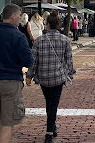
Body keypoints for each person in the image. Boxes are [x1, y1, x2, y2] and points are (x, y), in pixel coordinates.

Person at [0, 4, 34, 143]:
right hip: (11, 81)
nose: (20, 19)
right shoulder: (18, 36)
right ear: (13, 16)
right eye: (19, 16)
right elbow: (28, 61)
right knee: (7, 122)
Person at [26, 11, 73, 142]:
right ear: (58, 25)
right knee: (54, 104)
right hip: (58, 77)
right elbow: (69, 60)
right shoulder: (65, 40)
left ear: (46, 25)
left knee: (49, 103)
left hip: (43, 77)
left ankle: (52, 126)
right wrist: (69, 74)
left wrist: (29, 76)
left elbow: (33, 61)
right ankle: (49, 132)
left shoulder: (39, 41)